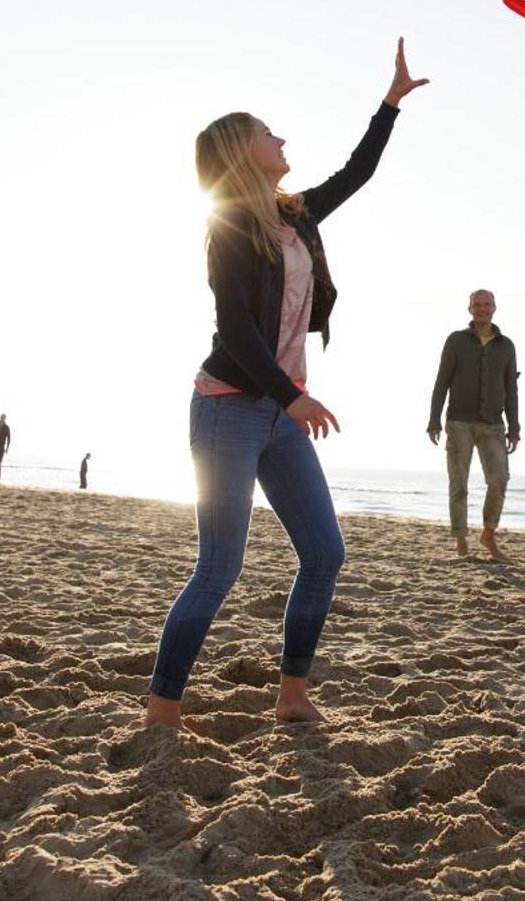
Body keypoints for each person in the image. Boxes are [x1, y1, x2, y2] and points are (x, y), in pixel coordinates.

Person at [146, 38, 428, 731]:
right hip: (229, 410)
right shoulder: (230, 227)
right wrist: (293, 395)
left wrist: (389, 105)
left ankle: (293, 692)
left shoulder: (294, 214)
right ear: (244, 154)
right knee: (220, 567)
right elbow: (237, 332)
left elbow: (355, 174)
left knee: (326, 551)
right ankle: (162, 710)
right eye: (268, 133)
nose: (281, 137)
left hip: (278, 412)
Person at [427, 289, 521, 560]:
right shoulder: (456, 341)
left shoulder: (506, 345)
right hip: (458, 423)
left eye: (486, 304)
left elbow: (511, 389)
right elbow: (441, 382)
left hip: (493, 424)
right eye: (476, 305)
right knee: (459, 484)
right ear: (470, 309)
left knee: (499, 479)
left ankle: (488, 535)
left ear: (494, 308)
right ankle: (461, 541)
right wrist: (434, 420)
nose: (481, 309)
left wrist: (514, 428)